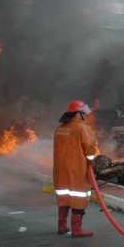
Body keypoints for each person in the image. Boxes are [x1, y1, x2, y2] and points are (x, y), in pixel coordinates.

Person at [53, 100, 99, 238]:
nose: (86, 116)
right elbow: (89, 148)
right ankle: (76, 229)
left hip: (60, 169)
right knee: (79, 197)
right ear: (80, 113)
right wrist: (90, 161)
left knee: (64, 197)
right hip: (77, 168)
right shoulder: (82, 128)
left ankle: (62, 226)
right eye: (84, 113)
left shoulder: (60, 128)